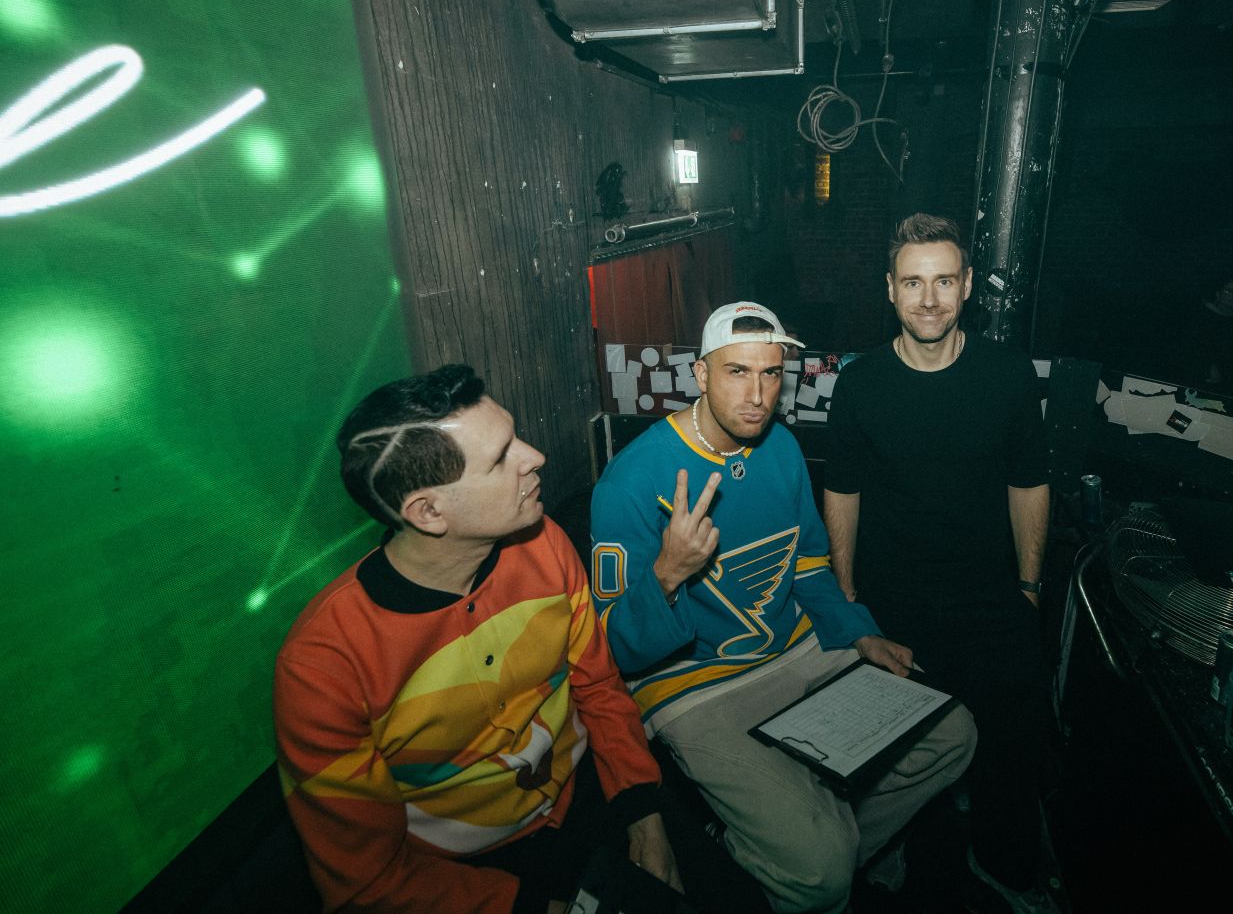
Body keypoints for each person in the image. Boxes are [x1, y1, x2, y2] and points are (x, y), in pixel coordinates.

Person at [589, 302, 978, 914]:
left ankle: (821, 848)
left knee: (953, 735)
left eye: (771, 373)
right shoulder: (629, 482)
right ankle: (801, 862)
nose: (758, 395)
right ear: (701, 374)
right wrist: (667, 575)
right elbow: (612, 648)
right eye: (738, 372)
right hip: (695, 682)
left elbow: (809, 565)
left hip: (797, 650)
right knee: (820, 869)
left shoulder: (782, 448)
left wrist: (859, 633)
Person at [274, 364, 680, 914]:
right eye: (500, 457)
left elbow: (600, 687)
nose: (535, 457)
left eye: (516, 437)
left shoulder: (545, 544)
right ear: (428, 511)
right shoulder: (322, 665)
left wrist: (643, 812)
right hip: (461, 874)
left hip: (586, 800)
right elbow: (367, 882)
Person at [823, 214, 1056, 914]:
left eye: (944, 281)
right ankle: (886, 847)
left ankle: (1004, 863)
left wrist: (1029, 587)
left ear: (967, 286)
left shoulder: (1009, 375)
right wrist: (848, 595)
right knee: (892, 747)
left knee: (1014, 745)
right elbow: (842, 491)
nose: (929, 299)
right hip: (896, 598)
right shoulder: (860, 383)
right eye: (914, 283)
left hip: (990, 596)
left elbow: (1029, 484)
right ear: (890, 289)